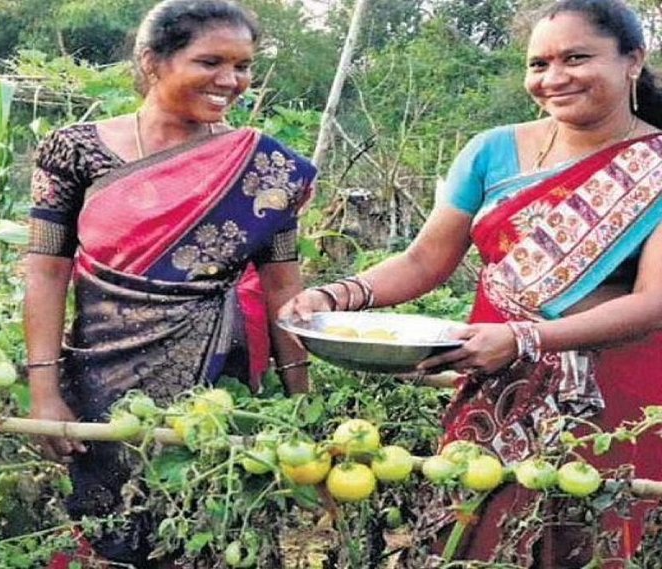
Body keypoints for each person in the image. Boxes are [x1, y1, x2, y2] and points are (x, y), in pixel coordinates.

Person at [281, 0, 662, 566]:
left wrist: (525, 338)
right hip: (495, 385)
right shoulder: (493, 150)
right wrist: (336, 295)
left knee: (598, 540)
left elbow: (654, 303)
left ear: (633, 60)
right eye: (538, 64)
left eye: (576, 58)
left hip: (618, 400)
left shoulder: (655, 166)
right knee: (470, 537)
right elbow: (423, 261)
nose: (553, 78)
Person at [24, 0, 316, 565]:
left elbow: (282, 286)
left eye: (243, 66)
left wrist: (300, 404)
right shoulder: (74, 150)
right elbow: (46, 269)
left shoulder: (264, 169)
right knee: (105, 529)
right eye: (210, 62)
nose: (230, 81)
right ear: (152, 61)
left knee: (209, 524)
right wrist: (44, 392)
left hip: (216, 378)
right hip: (99, 376)